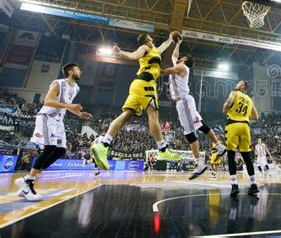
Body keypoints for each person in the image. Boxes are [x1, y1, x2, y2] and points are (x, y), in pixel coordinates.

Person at [91, 33, 180, 170]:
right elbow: (134, 55)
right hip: (146, 84)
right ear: (148, 39)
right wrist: (121, 53)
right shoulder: (145, 48)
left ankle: (103, 144)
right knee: (153, 114)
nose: (153, 39)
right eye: (151, 38)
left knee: (126, 115)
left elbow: (164, 46)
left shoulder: (154, 50)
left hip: (137, 85)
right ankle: (163, 150)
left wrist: (171, 38)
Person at [16, 63, 93, 201]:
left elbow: (67, 105)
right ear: (70, 71)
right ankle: (28, 183)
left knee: (61, 150)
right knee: (50, 147)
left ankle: (27, 179)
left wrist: (79, 114)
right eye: (77, 69)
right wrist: (68, 106)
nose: (80, 71)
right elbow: (48, 101)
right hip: (47, 117)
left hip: (58, 121)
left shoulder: (76, 88)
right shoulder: (58, 83)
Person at [160, 38, 226, 180]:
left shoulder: (181, 67)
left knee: (190, 134)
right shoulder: (180, 67)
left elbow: (164, 71)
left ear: (184, 60)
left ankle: (199, 164)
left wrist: (150, 68)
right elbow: (173, 56)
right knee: (200, 126)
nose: (178, 58)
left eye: (181, 58)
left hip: (184, 102)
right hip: (185, 102)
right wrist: (177, 43)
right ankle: (219, 146)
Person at [223, 81, 259, 197]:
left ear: (243, 86)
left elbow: (228, 103)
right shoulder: (249, 99)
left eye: (239, 83)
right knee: (246, 156)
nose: (237, 84)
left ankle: (234, 185)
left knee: (231, 155)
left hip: (233, 125)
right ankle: (253, 185)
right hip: (245, 127)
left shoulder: (234, 93)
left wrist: (225, 108)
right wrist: (244, 116)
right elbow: (256, 116)